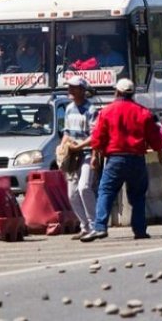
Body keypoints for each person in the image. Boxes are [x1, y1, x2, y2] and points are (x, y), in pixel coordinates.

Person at [82, 78, 162, 242]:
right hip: (136, 159)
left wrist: (94, 156)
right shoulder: (143, 112)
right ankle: (140, 230)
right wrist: (159, 152)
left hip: (115, 159)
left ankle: (100, 227)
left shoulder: (107, 111)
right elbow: (154, 136)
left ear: (117, 92)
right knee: (138, 196)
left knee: (106, 192)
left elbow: (98, 136)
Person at [62, 76, 99, 240]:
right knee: (72, 194)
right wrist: (63, 150)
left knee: (84, 187)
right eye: (69, 87)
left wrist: (81, 147)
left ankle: (95, 225)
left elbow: (95, 136)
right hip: (73, 156)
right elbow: (67, 133)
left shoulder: (91, 110)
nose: (70, 90)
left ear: (82, 90)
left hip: (87, 153)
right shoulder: (69, 109)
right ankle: (84, 226)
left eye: (74, 87)